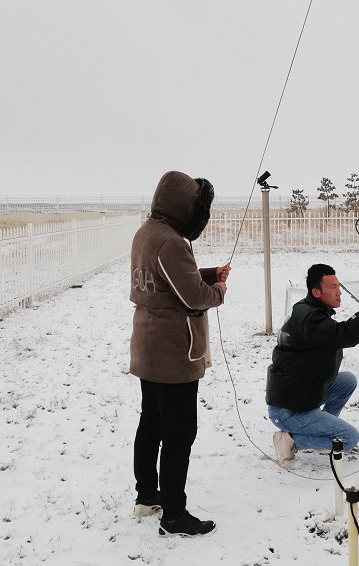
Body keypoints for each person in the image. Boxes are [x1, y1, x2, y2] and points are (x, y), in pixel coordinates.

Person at [129, 170, 231, 538]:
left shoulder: (147, 232)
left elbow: (169, 277)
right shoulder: (171, 242)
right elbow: (193, 297)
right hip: (173, 355)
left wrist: (206, 272)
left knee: (151, 424)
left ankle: (146, 496)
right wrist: (217, 288)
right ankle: (174, 515)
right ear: (183, 206)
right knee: (178, 434)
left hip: (148, 349)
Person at [265, 263, 359, 469]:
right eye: (333, 288)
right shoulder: (310, 318)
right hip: (288, 409)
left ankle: (317, 428)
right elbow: (344, 334)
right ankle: (292, 439)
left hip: (300, 393)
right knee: (348, 439)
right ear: (316, 292)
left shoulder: (309, 310)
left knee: (347, 381)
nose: (339, 293)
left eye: (339, 286)